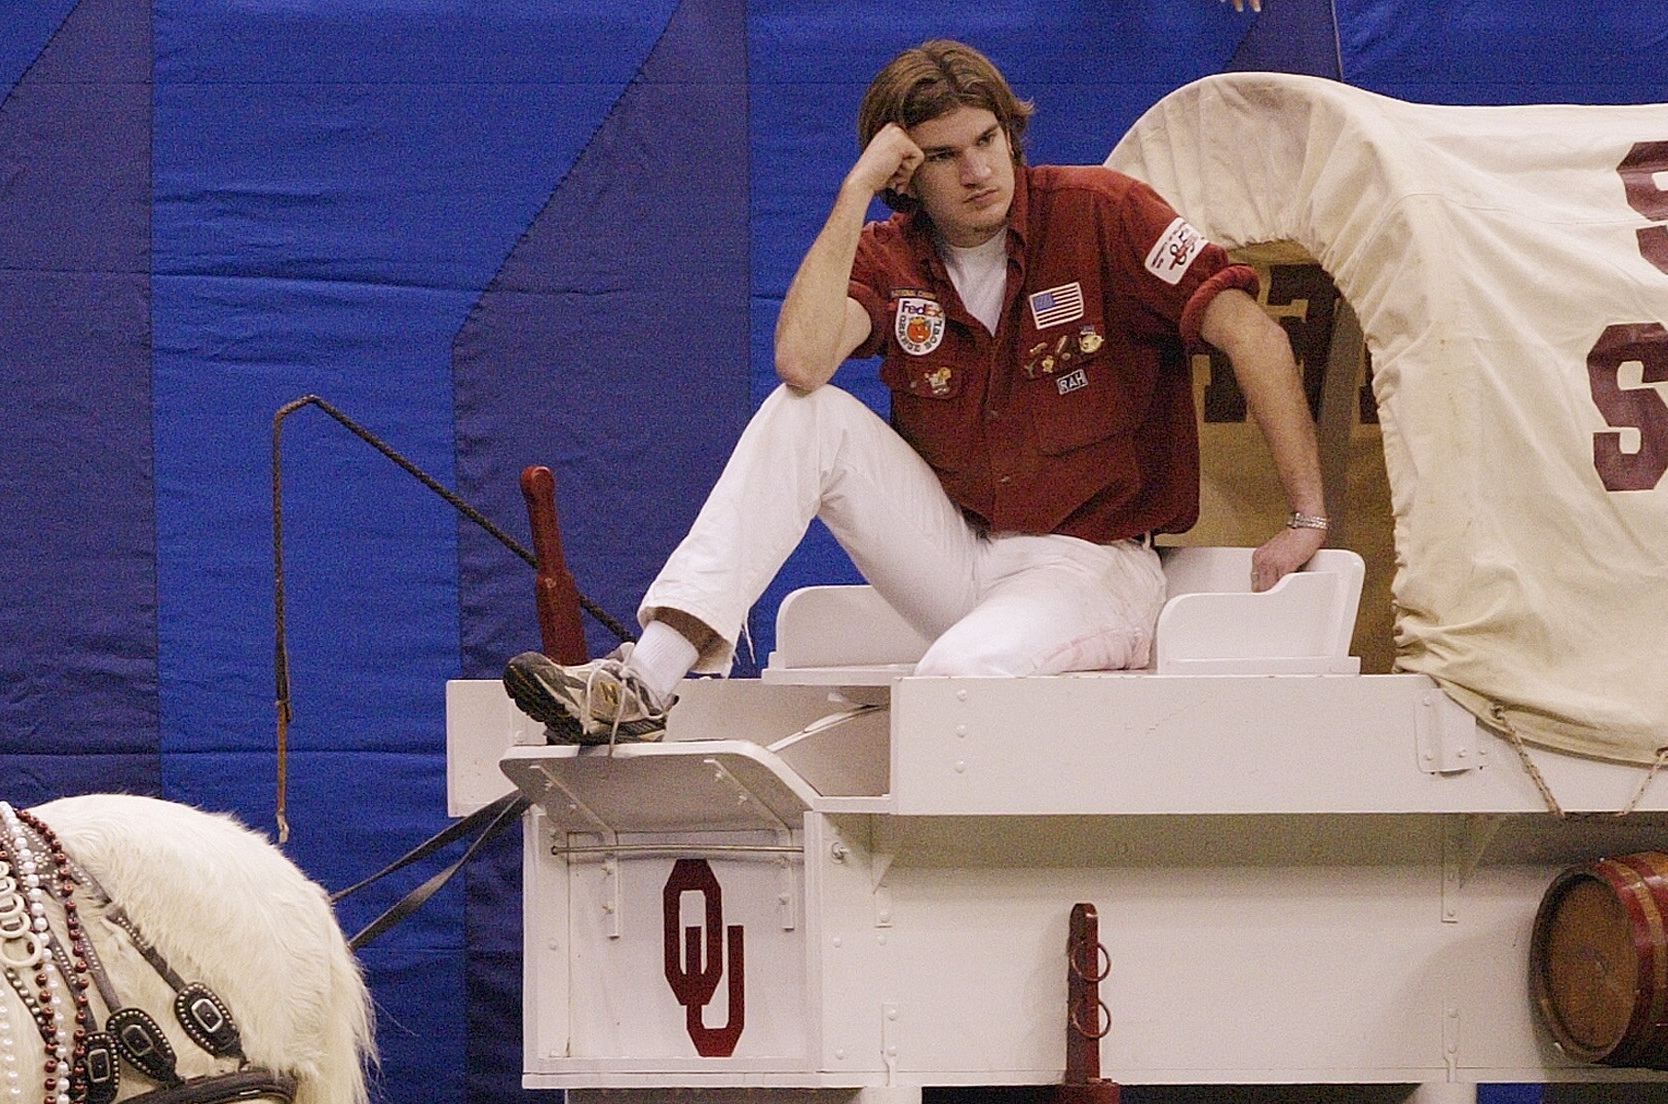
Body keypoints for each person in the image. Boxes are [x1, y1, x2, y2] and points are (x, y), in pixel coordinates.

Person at [505, 39, 1330, 745]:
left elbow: (1249, 333)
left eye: (987, 140)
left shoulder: (1101, 212)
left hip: (1090, 566)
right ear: (905, 172)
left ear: (1010, 134)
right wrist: (850, 193)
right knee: (809, 414)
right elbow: (800, 361)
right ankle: (643, 681)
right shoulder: (888, 254)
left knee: (956, 679)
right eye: (942, 156)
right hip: (959, 555)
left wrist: (1305, 519)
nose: (977, 171)